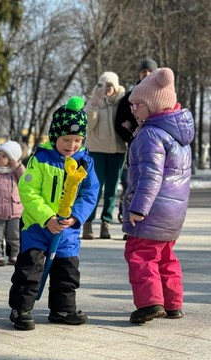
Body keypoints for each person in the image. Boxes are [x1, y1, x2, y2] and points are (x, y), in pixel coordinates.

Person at [8, 97, 99, 331]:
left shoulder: (85, 162)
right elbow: (28, 191)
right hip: (37, 227)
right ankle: (21, 308)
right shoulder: (40, 160)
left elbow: (90, 192)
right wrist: (47, 217)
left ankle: (62, 309)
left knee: (67, 271)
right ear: (54, 136)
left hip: (67, 229)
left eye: (77, 140)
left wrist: (76, 217)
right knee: (30, 269)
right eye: (66, 139)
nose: (72, 145)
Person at [122, 68, 193, 324]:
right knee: (166, 256)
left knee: (140, 254)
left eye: (137, 104)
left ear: (154, 105)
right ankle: (173, 303)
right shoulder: (179, 136)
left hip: (151, 210)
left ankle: (150, 303)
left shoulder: (151, 134)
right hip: (173, 212)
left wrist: (138, 208)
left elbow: (150, 176)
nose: (133, 109)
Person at [83, 71, 127, 240]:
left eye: (110, 86)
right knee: (94, 188)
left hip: (117, 151)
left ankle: (105, 223)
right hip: (96, 151)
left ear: (116, 87)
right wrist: (94, 103)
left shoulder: (122, 102)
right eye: (103, 85)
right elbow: (88, 126)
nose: (107, 89)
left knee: (111, 190)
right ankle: (88, 223)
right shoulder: (94, 103)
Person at [114, 58, 158, 228]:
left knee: (152, 181)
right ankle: (126, 215)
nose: (146, 74)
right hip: (135, 145)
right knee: (131, 181)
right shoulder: (130, 97)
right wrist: (132, 134)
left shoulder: (160, 95)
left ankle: (150, 218)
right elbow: (119, 122)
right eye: (143, 71)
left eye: (149, 71)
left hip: (156, 145)